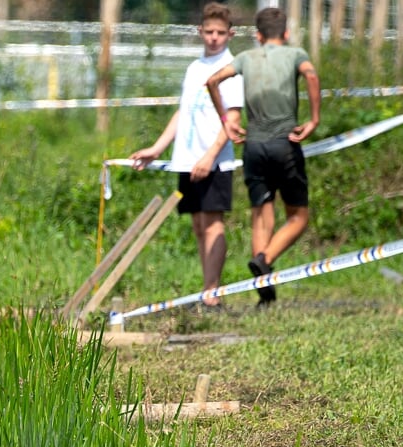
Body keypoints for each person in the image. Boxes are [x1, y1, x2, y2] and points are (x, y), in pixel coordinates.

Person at [127, 3, 243, 308]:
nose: (214, 38)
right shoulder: (194, 69)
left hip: (214, 160)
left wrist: (209, 157)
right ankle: (206, 291)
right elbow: (184, 112)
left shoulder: (232, 67)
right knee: (197, 225)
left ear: (230, 34)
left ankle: (211, 294)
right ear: (200, 32)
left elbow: (232, 120)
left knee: (213, 223)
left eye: (220, 33)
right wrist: (157, 148)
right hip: (187, 158)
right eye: (209, 32)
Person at [206, 6, 321, 306]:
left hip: (254, 146)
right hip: (285, 144)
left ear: (257, 35)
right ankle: (265, 258)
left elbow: (212, 81)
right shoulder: (296, 54)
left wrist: (227, 121)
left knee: (261, 216)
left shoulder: (246, 57)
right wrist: (314, 119)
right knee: (298, 217)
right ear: (285, 33)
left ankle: (265, 294)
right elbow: (310, 76)